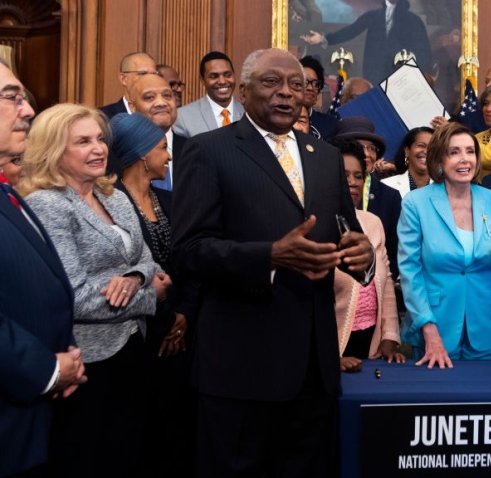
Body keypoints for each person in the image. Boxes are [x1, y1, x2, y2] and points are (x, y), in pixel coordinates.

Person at [171, 47, 374, 477]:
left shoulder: (326, 157)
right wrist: (270, 256)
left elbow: (345, 231)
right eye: (271, 83)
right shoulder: (208, 151)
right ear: (243, 91)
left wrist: (362, 256)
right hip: (241, 366)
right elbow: (188, 250)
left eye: (297, 85)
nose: (286, 94)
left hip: (314, 371)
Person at [19, 104, 170, 477]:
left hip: (135, 351)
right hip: (89, 365)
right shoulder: (47, 204)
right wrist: (150, 295)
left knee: (134, 457)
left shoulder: (113, 195)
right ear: (53, 150)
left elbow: (149, 261)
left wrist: (134, 278)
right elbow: (76, 296)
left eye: (100, 139)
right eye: (83, 141)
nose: (98, 148)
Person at [0, 61, 85, 478]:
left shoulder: (5, 190)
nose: (28, 110)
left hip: (30, 418)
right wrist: (47, 369)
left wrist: (64, 352)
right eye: (11, 97)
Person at [398, 122, 491, 369]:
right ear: (439, 159)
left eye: (470, 151)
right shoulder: (415, 203)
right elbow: (410, 272)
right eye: (454, 152)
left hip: (487, 330)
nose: (465, 160)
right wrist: (429, 330)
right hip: (433, 329)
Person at [110, 112, 197, 477]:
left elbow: (192, 263)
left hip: (181, 338)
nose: (170, 156)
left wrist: (184, 316)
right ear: (143, 154)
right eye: (163, 148)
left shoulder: (171, 200)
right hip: (137, 342)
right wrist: (164, 321)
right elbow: (118, 276)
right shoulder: (110, 203)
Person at [331, 138, 403, 373]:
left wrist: (389, 337)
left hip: (371, 347)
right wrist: (328, 356)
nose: (352, 182)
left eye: (358, 176)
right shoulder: (313, 224)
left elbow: (387, 284)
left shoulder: (373, 223)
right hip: (329, 351)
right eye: (344, 175)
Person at [300, 0, 431, 86]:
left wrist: (418, 76)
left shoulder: (413, 20)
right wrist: (324, 38)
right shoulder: (373, 16)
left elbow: (422, 50)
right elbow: (351, 31)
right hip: (374, 75)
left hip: (400, 77)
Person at [333, 116, 402, 277]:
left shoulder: (390, 197)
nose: (367, 154)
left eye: (371, 148)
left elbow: (395, 253)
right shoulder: (322, 192)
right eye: (359, 146)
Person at [126, 72, 187, 189]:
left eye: (167, 96)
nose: (161, 103)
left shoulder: (193, 150)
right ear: (132, 107)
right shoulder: (116, 153)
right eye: (149, 97)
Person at [173, 51, 245, 137]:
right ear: (202, 80)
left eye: (227, 75)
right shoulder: (182, 117)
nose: (222, 81)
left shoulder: (249, 112)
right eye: (214, 76)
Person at [99, 52, 159, 118]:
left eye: (154, 74)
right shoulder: (103, 117)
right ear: (124, 79)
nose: (150, 79)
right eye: (143, 74)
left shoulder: (163, 114)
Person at [382, 126, 434, 198]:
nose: (426, 151)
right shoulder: (386, 185)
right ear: (407, 151)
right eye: (421, 145)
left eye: (432, 148)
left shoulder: (446, 190)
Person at [299, 55, 337, 138]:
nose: (310, 88)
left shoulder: (330, 124)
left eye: (315, 84)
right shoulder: (283, 120)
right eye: (305, 82)